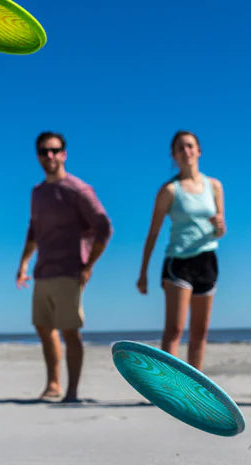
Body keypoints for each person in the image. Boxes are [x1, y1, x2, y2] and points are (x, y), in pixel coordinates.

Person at [15, 132, 112, 402]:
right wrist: (24, 263)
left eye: (55, 150)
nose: (50, 156)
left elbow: (104, 226)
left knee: (69, 330)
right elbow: (33, 231)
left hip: (70, 271)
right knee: (44, 328)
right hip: (42, 271)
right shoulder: (38, 193)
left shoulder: (78, 190)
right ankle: (54, 384)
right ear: (38, 156)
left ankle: (72, 391)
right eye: (44, 151)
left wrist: (89, 264)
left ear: (64, 154)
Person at [136, 131, 226, 371]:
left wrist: (220, 226)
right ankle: (169, 386)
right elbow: (153, 232)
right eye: (180, 148)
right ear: (174, 156)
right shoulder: (169, 190)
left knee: (199, 333)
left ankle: (194, 394)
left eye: (190, 146)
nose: (186, 151)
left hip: (207, 260)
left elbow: (220, 230)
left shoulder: (214, 186)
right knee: (175, 329)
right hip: (178, 262)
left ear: (199, 151)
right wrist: (143, 272)